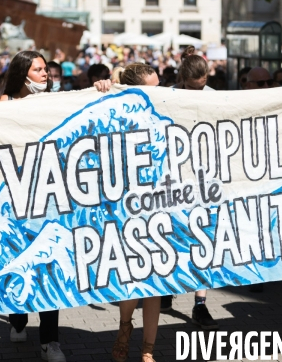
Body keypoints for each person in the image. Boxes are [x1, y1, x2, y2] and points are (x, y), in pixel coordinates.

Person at [0, 50, 66, 362]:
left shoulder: (54, 100)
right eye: (38, 69)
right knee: (19, 264)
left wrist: (104, 86)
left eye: (45, 70)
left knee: (49, 268)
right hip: (15, 200)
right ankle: (17, 318)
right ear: (23, 73)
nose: (45, 74)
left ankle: (50, 341)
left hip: (49, 198)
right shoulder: (5, 103)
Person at [93, 63, 160, 362]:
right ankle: (124, 327)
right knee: (132, 276)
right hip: (126, 206)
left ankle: (148, 349)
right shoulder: (116, 108)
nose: (157, 93)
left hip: (161, 204)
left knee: (157, 282)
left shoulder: (165, 111)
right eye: (151, 88)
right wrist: (101, 91)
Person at [160, 46, 218, 330]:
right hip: (172, 178)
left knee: (203, 239)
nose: (200, 92)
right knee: (170, 235)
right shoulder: (165, 97)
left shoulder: (215, 98)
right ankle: (166, 288)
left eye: (203, 85)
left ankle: (200, 304)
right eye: (194, 87)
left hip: (204, 179)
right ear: (182, 80)